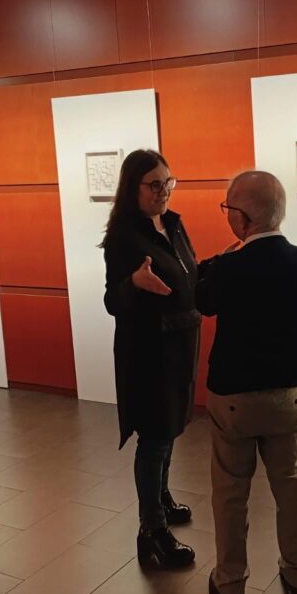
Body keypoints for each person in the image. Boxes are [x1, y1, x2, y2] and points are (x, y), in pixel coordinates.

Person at [196, 170, 297, 594]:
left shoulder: (229, 268)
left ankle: (230, 586)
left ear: (242, 218)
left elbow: (202, 299)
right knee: (291, 487)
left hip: (235, 401)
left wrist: (218, 260)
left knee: (231, 494)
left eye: (228, 209)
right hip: (289, 397)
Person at [102, 149, 199, 570]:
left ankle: (161, 496)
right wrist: (133, 282)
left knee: (171, 427)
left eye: (168, 182)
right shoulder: (124, 237)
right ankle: (152, 530)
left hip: (180, 344)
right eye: (154, 185)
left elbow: (188, 274)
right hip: (148, 351)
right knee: (155, 436)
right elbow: (112, 300)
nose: (164, 192)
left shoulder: (172, 223)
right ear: (133, 189)